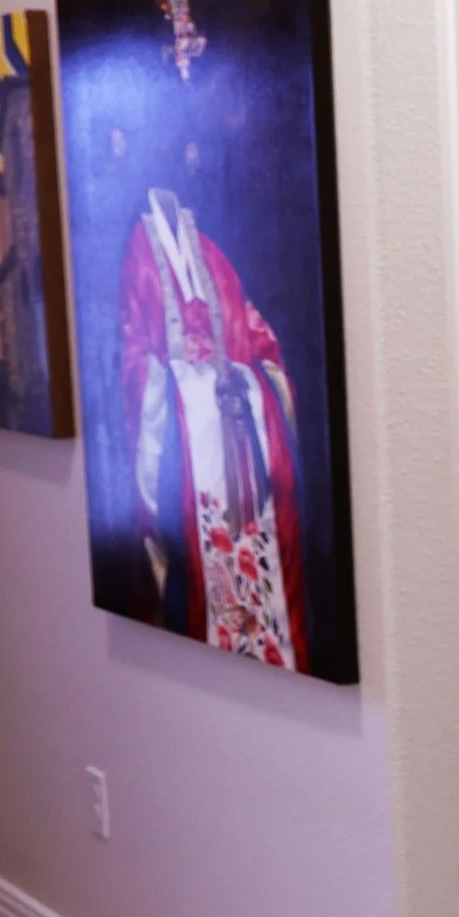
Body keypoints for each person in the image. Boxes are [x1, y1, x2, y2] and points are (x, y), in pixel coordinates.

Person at [118, 186, 313, 672]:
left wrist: (240, 385)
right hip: (186, 460)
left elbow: (265, 348)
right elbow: (131, 361)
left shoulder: (213, 256)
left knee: (258, 580)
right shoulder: (136, 255)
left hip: (240, 446)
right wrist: (188, 386)